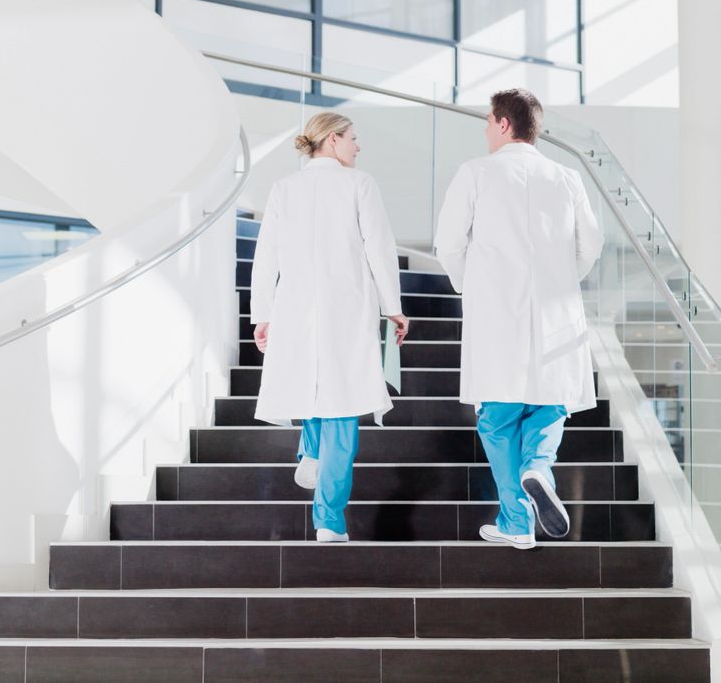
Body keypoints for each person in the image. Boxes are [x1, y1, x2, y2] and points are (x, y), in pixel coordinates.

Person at [434, 89, 603, 549]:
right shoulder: (566, 177)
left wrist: (471, 285)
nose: (487, 130)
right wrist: (561, 279)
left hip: (497, 313)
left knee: (497, 418)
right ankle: (537, 470)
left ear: (504, 123)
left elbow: (448, 243)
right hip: (556, 313)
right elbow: (590, 245)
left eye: (489, 121)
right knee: (550, 405)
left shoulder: (476, 173)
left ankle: (515, 519)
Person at [250, 111, 409, 543]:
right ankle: (329, 521)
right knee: (342, 406)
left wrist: (261, 315)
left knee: (311, 386)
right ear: (333, 141)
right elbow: (380, 248)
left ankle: (311, 451)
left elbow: (266, 257)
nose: (359, 147)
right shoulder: (360, 184)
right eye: (354, 138)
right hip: (348, 309)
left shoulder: (284, 189)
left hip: (294, 309)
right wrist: (393, 307)